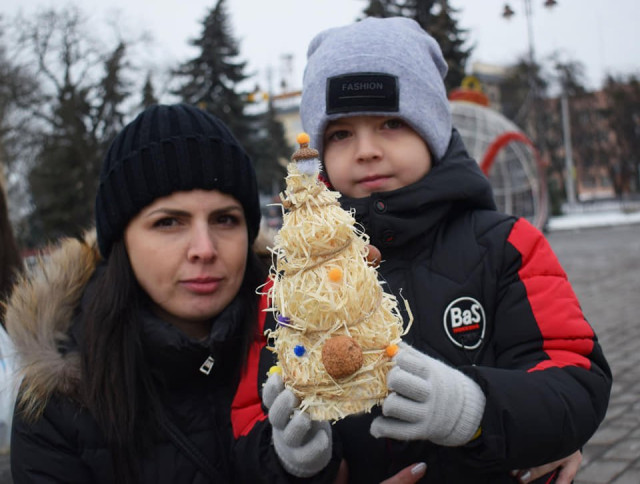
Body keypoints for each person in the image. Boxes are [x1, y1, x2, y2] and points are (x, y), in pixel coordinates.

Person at [233, 17, 611, 483]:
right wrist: (297, 461)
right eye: (341, 134)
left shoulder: (506, 246)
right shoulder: (295, 276)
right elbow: (256, 412)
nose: (366, 150)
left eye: (391, 123)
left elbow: (576, 380)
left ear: (432, 130)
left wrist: (474, 409)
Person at [5, 103, 270, 483]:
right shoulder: (57, 400)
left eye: (225, 219)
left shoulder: (311, 342)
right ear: (122, 242)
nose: (204, 249)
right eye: (169, 222)